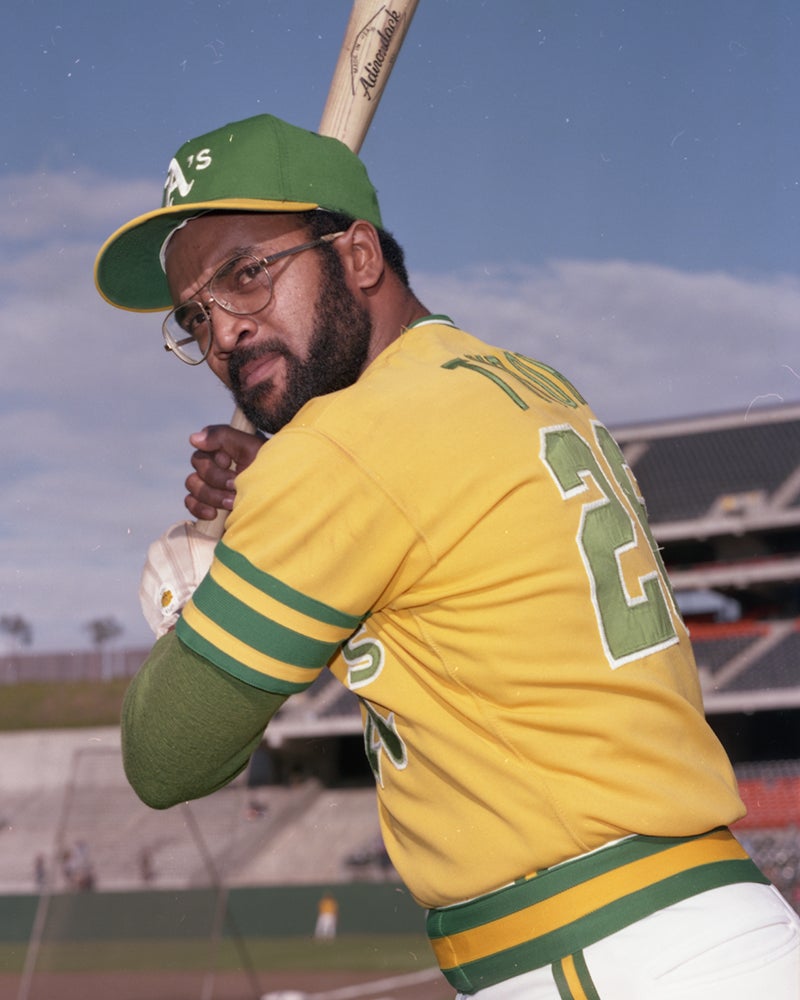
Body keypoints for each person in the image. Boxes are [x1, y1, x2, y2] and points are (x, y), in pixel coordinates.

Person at [94, 113, 800, 999]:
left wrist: (201, 587)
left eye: (249, 275)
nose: (225, 331)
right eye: (196, 315)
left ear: (359, 258)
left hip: (607, 955)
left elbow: (167, 757)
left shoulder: (347, 447)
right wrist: (281, 493)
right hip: (700, 926)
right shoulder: (522, 383)